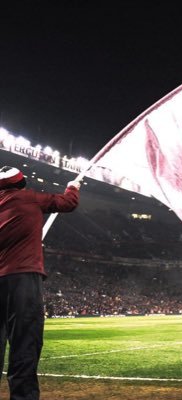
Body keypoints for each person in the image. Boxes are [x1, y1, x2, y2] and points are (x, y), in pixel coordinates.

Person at [0, 166, 80, 400]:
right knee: (25, 342)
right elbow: (68, 203)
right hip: (22, 278)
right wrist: (73, 187)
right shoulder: (30, 198)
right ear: (22, 182)